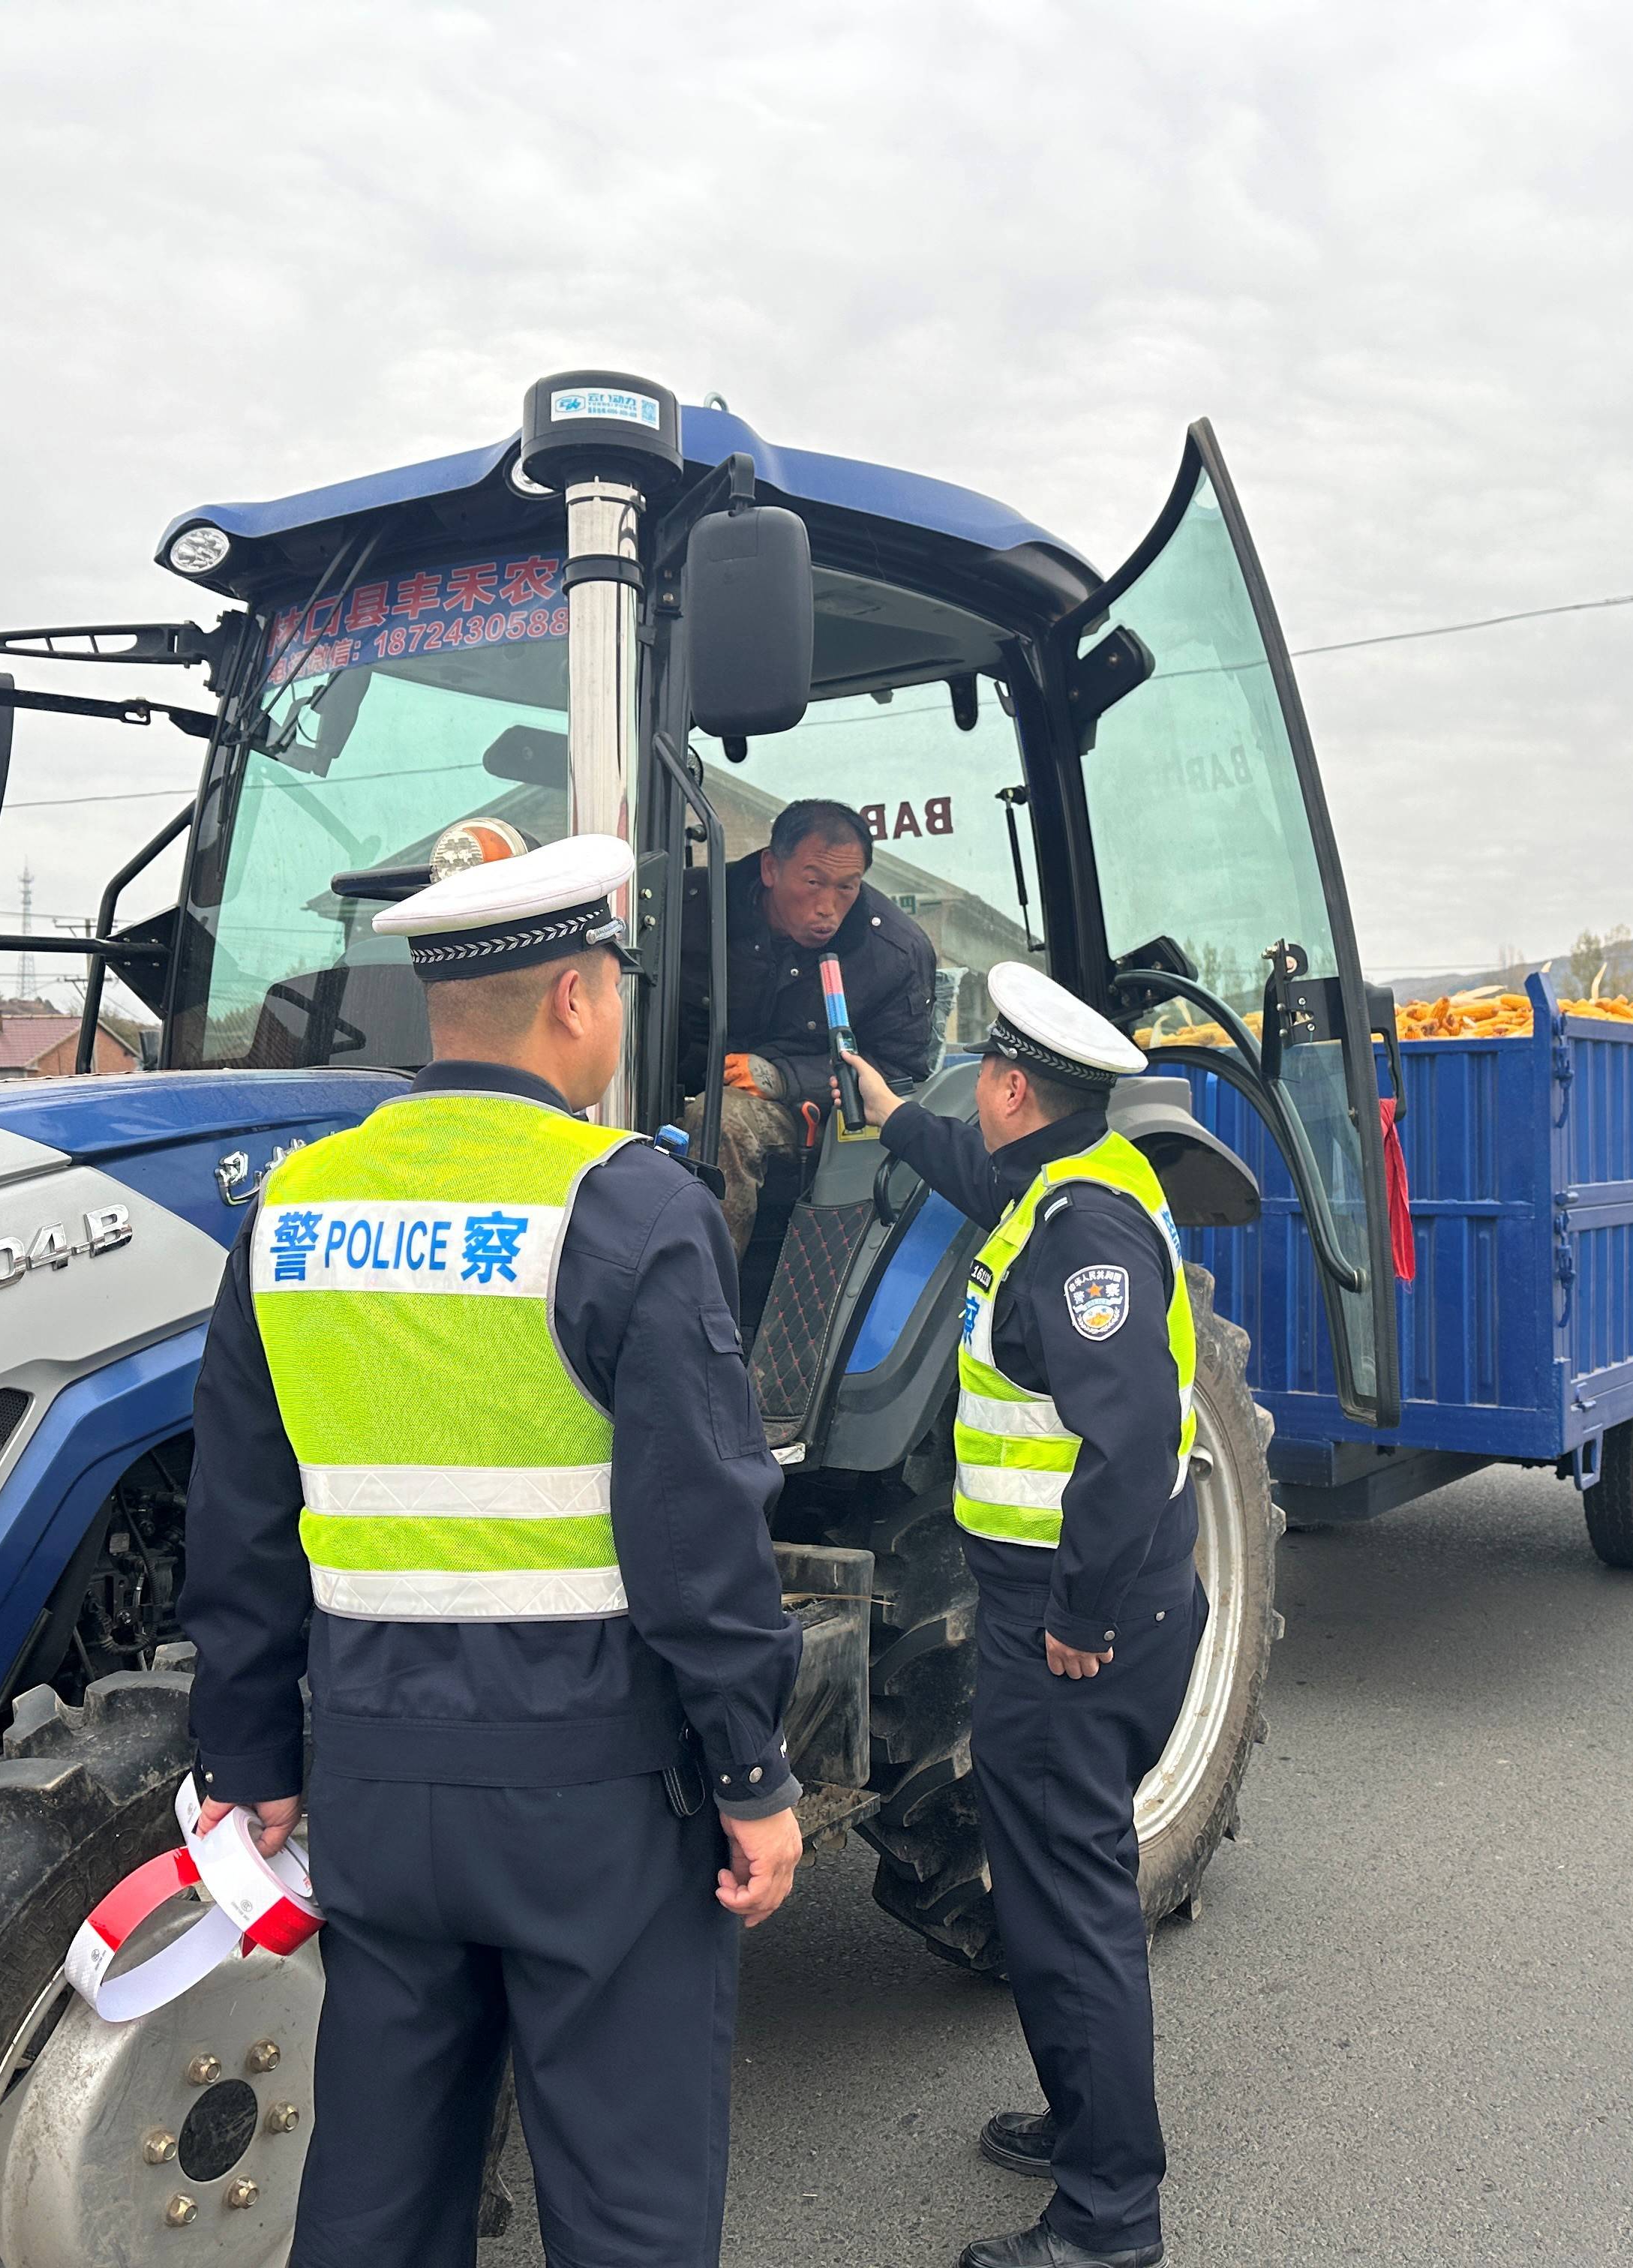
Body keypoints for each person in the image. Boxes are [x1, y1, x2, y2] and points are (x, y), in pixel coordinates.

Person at [182, 833, 804, 2268]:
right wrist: (753, 1773)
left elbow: (241, 1514)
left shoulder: (293, 1208)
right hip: (596, 1800)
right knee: (626, 2203)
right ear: (577, 996)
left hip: (375, 1785)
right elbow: (699, 1537)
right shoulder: (628, 1204)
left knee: (377, 2192)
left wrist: (252, 1752)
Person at [844, 964, 1200, 2268]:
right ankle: (1082, 2121)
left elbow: (1129, 1442)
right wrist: (892, 1115)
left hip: (1075, 1616)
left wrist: (1080, 1620)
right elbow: (972, 1170)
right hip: (1064, 1601)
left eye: (979, 1081)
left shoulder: (1082, 1234)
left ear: (1005, 1085)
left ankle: (1110, 2218)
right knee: (1048, 1884)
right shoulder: (1060, 1176)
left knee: (1067, 1902)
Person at [680, 796, 938, 1252]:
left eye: (846, 887)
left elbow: (900, 1072)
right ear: (770, 869)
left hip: (816, 1113)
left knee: (721, 1118)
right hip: (671, 1086)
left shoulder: (894, 953)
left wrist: (783, 1077)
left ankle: (702, 1289)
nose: (827, 907)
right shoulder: (688, 907)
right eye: (813, 882)